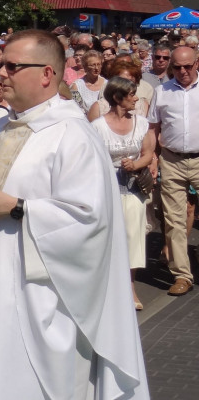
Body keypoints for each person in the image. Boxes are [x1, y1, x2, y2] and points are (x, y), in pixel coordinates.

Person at [0, 30, 148, 399]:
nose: (0, 74)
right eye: (0, 65)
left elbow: (90, 221)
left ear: (47, 74)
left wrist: (17, 208)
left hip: (35, 299)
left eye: (12, 66)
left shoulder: (72, 135)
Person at [92, 77, 154, 310]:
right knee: (108, 239)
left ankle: (130, 288)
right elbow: (91, 158)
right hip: (107, 188)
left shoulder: (141, 123)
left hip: (133, 186)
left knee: (133, 237)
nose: (136, 99)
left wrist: (136, 165)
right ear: (118, 98)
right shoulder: (97, 126)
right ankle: (107, 289)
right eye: (131, 95)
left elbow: (148, 153)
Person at [147, 45, 199, 296]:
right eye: (176, 67)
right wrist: (152, 158)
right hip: (172, 160)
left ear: (196, 63)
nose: (182, 71)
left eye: (187, 66)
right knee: (174, 221)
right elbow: (152, 128)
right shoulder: (162, 91)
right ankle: (182, 275)